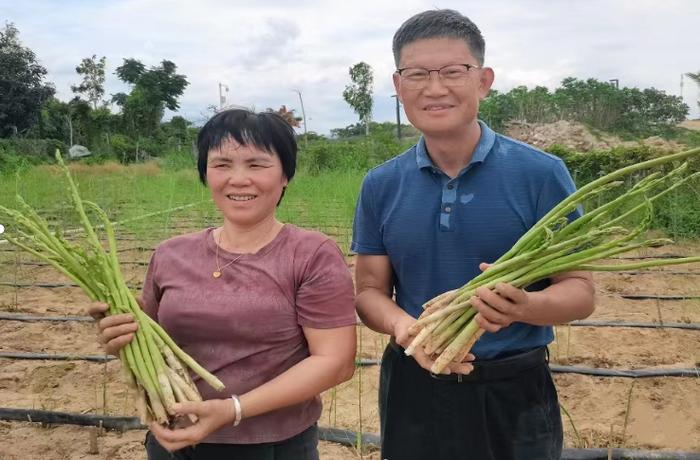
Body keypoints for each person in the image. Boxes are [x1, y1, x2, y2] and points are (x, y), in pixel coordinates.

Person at [352, 9, 595, 460]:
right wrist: (406, 329)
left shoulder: (541, 174)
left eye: (452, 72)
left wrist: (526, 306)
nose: (435, 87)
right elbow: (368, 291)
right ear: (399, 85)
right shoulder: (381, 183)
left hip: (513, 389)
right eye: (418, 74)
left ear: (483, 80)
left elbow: (580, 292)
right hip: (414, 382)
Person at [90, 108, 357, 460]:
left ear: (285, 176)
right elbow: (151, 344)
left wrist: (233, 409)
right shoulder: (171, 254)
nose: (239, 179)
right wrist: (119, 334)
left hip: (270, 446)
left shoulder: (311, 254)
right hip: (174, 438)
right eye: (222, 164)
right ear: (205, 174)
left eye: (256, 164)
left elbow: (335, 362)